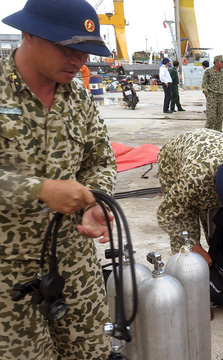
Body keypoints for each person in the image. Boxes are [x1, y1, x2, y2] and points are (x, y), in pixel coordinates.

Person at [0, 0, 117, 358]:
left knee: (92, 352)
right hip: (7, 275)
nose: (78, 61)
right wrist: (39, 190)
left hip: (74, 265)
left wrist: (96, 199)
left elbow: (101, 160)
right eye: (68, 48)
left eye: (86, 52)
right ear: (29, 33)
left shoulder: (78, 99)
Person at [157, 128, 223, 269]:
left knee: (220, 232)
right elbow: (166, 214)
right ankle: (185, 278)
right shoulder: (194, 180)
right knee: (188, 250)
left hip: (212, 157)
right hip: (175, 159)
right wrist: (195, 247)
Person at [202, 54, 223, 131]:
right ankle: (208, 134)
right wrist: (207, 95)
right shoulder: (208, 72)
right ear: (216, 63)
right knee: (211, 117)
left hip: (221, 97)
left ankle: (218, 135)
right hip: (212, 96)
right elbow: (204, 84)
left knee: (220, 118)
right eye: (221, 62)